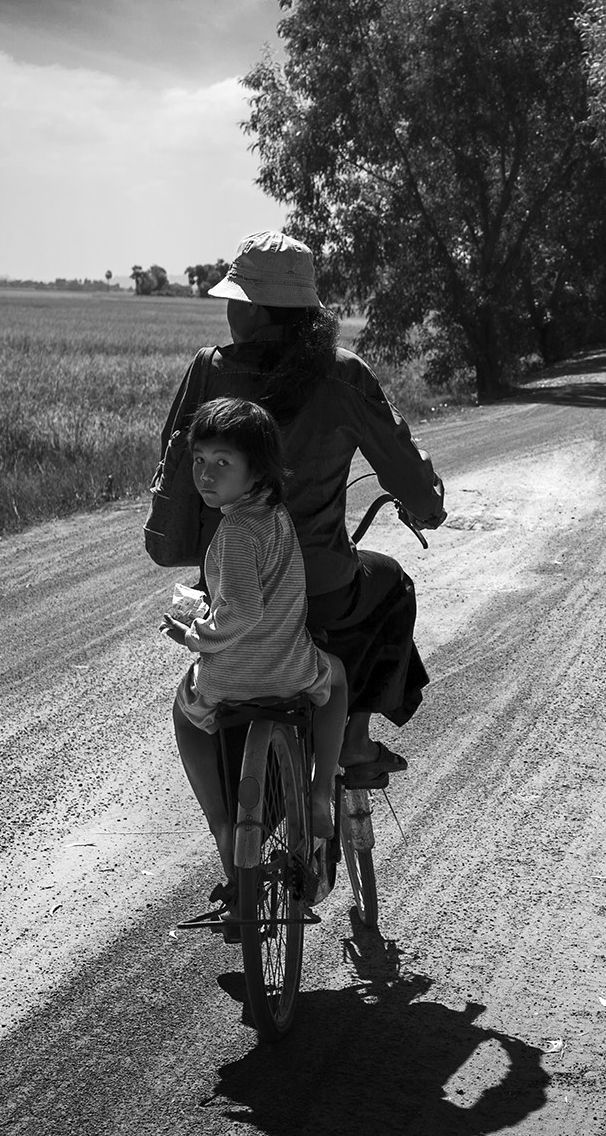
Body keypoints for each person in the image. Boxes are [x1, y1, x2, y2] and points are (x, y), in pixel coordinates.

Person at [157, 231, 445, 781]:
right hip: (325, 589)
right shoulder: (343, 373)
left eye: (234, 302)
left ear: (258, 309)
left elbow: (173, 463)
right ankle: (354, 743)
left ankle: (233, 825)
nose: (228, 315)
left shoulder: (210, 368)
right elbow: (404, 465)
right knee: (393, 585)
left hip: (229, 590)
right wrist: (424, 507)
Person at [164, 396, 348, 897]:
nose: (205, 474)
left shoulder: (235, 531)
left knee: (183, 714)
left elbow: (242, 611)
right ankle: (319, 791)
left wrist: (195, 635)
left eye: (223, 462)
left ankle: (224, 831)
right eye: (200, 460)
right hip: (289, 670)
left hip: (230, 676)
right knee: (336, 676)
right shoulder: (275, 515)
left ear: (256, 468)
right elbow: (257, 600)